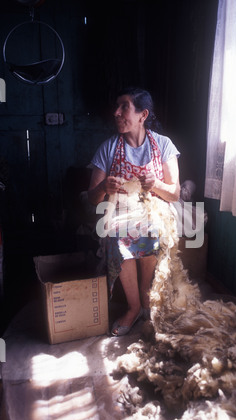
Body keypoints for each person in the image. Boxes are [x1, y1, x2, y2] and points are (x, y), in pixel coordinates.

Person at [88, 87, 180, 336]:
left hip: (155, 209)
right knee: (118, 234)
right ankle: (134, 306)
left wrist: (157, 184)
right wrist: (103, 188)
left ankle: (147, 299)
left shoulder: (163, 145)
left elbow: (174, 194)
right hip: (120, 211)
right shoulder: (108, 148)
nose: (116, 112)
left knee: (151, 230)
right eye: (116, 107)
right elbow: (92, 199)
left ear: (142, 114)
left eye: (124, 107)